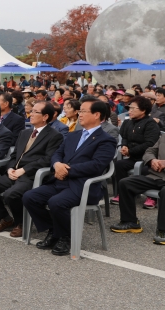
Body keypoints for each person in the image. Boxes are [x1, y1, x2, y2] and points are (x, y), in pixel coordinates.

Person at [22, 97, 116, 256]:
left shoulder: (106, 140)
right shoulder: (74, 135)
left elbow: (97, 165)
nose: (80, 114)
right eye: (80, 111)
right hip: (60, 181)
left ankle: (65, 237)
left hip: (82, 185)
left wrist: (67, 170)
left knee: (56, 202)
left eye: (84, 111)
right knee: (30, 197)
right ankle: (54, 230)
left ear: (97, 115)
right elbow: (57, 153)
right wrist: (57, 165)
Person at [0, 101, 64, 237]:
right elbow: (14, 155)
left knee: (10, 194)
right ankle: (5, 218)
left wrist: (24, 170)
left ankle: (21, 223)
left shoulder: (54, 135)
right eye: (31, 111)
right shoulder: (25, 133)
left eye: (35, 112)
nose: (31, 114)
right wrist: (10, 169)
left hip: (31, 175)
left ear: (45, 117)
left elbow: (47, 159)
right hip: (15, 173)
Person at [111, 106, 165, 245]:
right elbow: (149, 150)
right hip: (156, 176)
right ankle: (130, 221)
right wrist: (152, 160)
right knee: (125, 183)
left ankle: (163, 230)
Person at [110, 95, 161, 208]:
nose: (130, 111)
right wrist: (124, 146)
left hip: (147, 158)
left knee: (146, 170)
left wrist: (130, 151)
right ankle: (121, 193)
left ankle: (151, 197)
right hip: (133, 157)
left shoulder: (150, 123)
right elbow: (124, 137)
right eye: (129, 108)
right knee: (119, 165)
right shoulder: (128, 122)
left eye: (133, 108)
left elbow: (150, 144)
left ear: (143, 110)